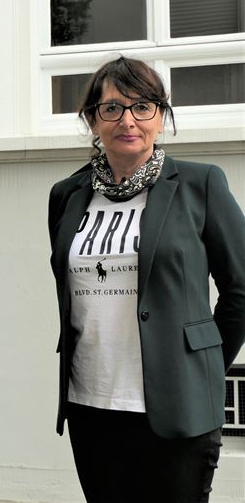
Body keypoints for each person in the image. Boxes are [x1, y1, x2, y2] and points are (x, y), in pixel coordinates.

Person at [48, 56, 245, 502]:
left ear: (161, 116)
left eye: (143, 107)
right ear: (92, 120)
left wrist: (204, 363)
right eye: (112, 108)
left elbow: (240, 290)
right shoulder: (66, 195)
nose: (128, 120)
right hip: (91, 402)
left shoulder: (201, 184)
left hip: (178, 403)